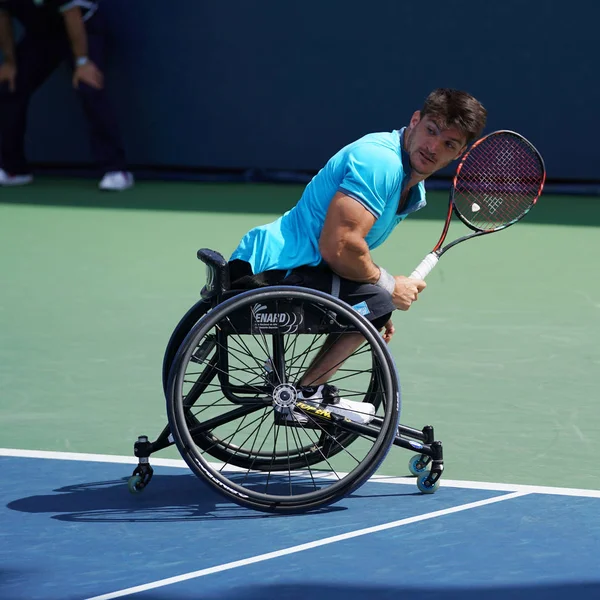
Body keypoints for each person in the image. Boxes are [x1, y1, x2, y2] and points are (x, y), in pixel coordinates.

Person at [228, 88, 487, 424]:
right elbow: (339, 247)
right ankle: (305, 396)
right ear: (415, 121)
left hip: (289, 269)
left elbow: (343, 254)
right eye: (431, 130)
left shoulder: (409, 181)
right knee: (378, 302)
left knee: (375, 303)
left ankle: (309, 392)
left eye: (449, 144)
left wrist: (376, 295)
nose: (433, 147)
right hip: (269, 273)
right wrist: (388, 289)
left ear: (458, 154)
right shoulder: (381, 163)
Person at [0, 0, 133, 191]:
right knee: (10, 85)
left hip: (83, 26)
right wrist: (10, 62)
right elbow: (2, 16)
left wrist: (82, 62)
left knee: (89, 85)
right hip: (43, 35)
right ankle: (15, 170)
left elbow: (72, 14)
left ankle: (116, 170)